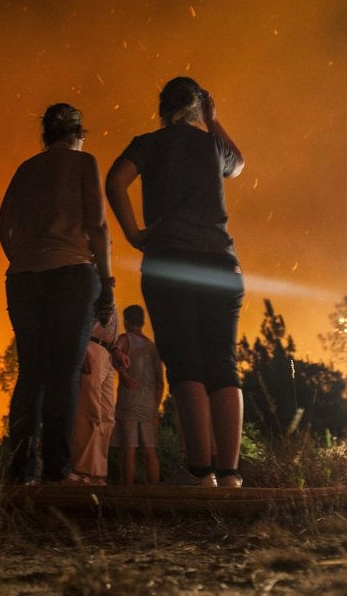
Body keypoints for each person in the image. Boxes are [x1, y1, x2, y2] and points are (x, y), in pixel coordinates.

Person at [105, 77, 246, 488]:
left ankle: (201, 473)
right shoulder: (209, 144)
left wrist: (133, 233)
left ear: (162, 108)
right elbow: (238, 165)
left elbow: (115, 182)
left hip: (170, 263)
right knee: (223, 364)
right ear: (198, 106)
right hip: (221, 263)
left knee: (187, 365)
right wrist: (214, 122)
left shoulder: (148, 144)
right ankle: (231, 473)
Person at [0, 103, 115, 484]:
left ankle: (19, 470)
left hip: (24, 279)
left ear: (45, 135)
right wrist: (108, 283)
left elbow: (2, 227)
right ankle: (56, 471)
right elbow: (97, 224)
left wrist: (26, 259)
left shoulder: (26, 169)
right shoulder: (85, 163)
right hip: (72, 275)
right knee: (64, 373)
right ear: (79, 134)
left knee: (31, 374)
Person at [69, 306, 124, 485]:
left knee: (107, 417)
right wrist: (82, 348)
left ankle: (97, 472)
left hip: (106, 352)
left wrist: (115, 349)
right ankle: (80, 470)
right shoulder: (89, 280)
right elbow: (78, 315)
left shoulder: (106, 284)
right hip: (91, 347)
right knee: (89, 412)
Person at [111, 304, 165, 485]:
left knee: (129, 450)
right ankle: (154, 492)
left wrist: (123, 374)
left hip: (129, 401)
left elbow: (115, 352)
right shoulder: (152, 346)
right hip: (149, 404)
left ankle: (127, 492)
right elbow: (160, 382)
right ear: (142, 322)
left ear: (126, 321)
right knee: (150, 452)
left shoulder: (125, 338)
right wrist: (156, 407)